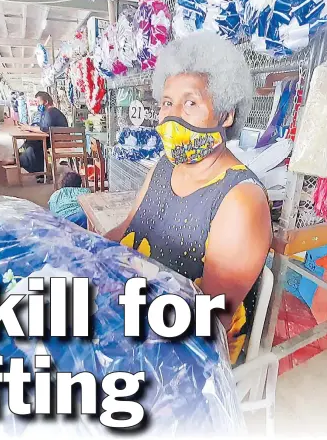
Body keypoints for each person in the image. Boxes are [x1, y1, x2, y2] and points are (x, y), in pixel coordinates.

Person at [105, 31, 272, 365]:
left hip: (185, 353)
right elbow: (124, 234)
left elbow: (208, 323)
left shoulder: (241, 200)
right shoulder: (165, 168)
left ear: (226, 115)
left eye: (190, 103)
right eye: (167, 103)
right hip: (137, 310)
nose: (172, 116)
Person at [16, 91, 68, 180]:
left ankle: (19, 159)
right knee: (31, 143)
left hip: (57, 142)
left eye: (38, 102)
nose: (37, 105)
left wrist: (29, 128)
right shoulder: (51, 112)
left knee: (32, 145)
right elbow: (43, 126)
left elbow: (46, 130)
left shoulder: (50, 112)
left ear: (46, 102)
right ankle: (37, 169)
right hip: (56, 139)